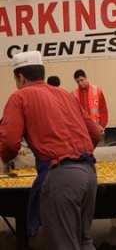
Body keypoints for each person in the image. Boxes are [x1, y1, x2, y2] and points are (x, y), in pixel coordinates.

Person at [0, 51, 101, 250]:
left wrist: (5, 160)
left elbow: (10, 141)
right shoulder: (66, 95)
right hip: (89, 174)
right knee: (83, 241)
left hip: (61, 177)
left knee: (64, 245)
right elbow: (95, 135)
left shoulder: (20, 97)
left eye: (16, 79)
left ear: (21, 77)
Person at [72, 69, 108, 144]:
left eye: (81, 80)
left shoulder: (97, 90)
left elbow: (103, 109)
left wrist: (102, 125)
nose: (80, 83)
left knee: (100, 152)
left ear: (86, 78)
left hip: (97, 129)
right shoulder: (73, 94)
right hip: (83, 131)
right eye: (78, 81)